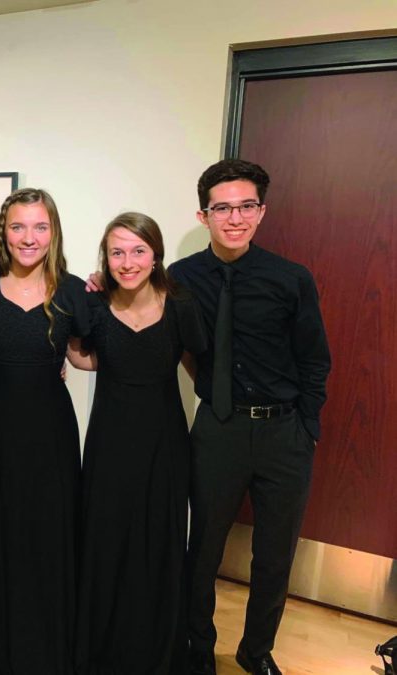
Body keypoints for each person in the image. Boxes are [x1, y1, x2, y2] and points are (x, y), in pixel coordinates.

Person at [170, 159, 330, 675]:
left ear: (261, 212)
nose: (234, 218)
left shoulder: (291, 279)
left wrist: (306, 429)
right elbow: (173, 341)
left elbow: (314, 358)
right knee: (204, 549)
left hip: (285, 432)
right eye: (222, 208)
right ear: (204, 214)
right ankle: (198, 645)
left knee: (275, 555)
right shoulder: (181, 278)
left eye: (245, 207)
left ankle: (256, 650)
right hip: (220, 429)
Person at [71, 213, 206, 675]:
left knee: (157, 545)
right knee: (106, 543)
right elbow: (85, 356)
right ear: (105, 259)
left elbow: (198, 368)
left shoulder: (181, 304)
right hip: (109, 442)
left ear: (155, 255)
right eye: (117, 252)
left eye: (137, 251)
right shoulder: (93, 305)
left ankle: (155, 650)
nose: (127, 262)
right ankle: (104, 649)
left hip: (163, 445)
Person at [0, 187, 88, 675]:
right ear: (3, 231)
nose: (29, 237)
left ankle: (44, 647)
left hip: (50, 434)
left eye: (40, 226)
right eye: (18, 226)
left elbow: (85, 350)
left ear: (53, 231)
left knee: (47, 536)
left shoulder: (77, 290)